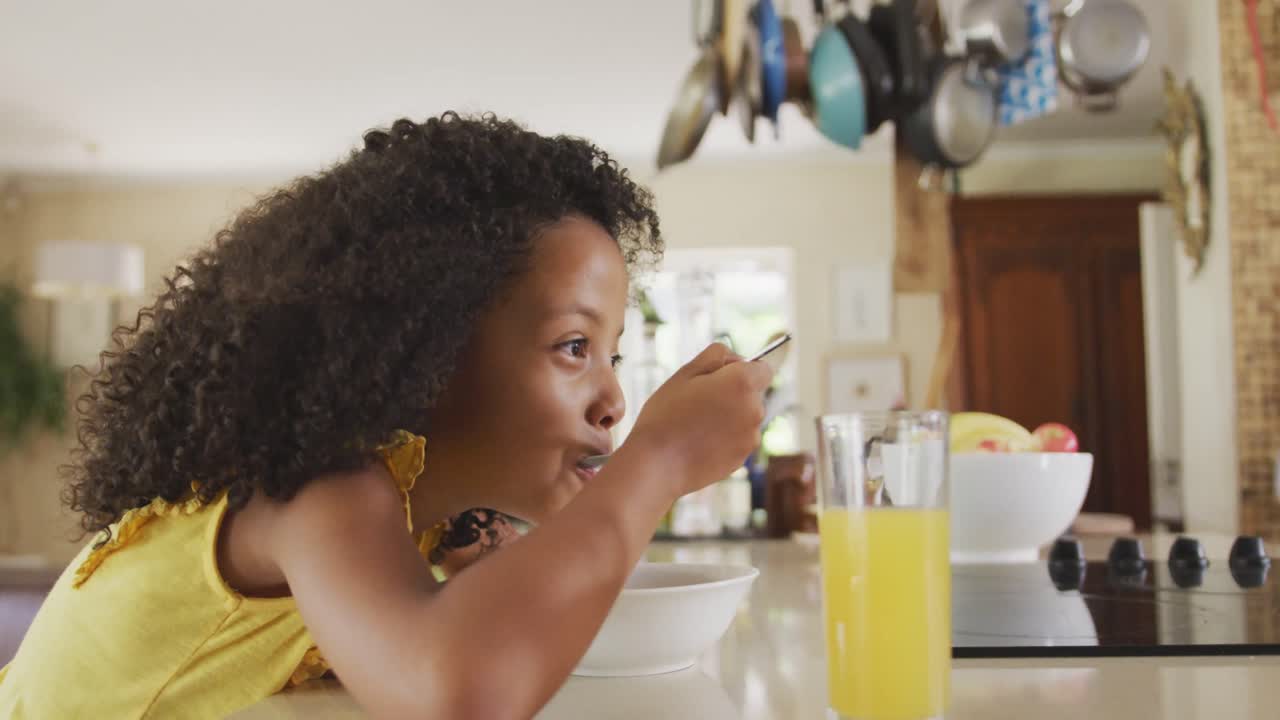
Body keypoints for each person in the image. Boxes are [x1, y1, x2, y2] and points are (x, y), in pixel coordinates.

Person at [0, 112, 773, 719]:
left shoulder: (413, 521)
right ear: (425, 353)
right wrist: (658, 462)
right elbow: (458, 689)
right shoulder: (309, 490)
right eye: (574, 345)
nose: (615, 401)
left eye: (611, 353)